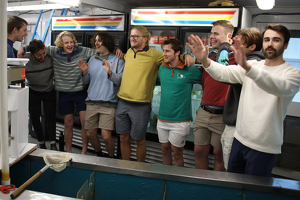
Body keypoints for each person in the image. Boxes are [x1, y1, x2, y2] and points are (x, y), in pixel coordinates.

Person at [187, 24, 300, 177]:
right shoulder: (253, 66)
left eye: (276, 40)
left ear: (285, 45)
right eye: (267, 39)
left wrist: (248, 68)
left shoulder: (291, 73)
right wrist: (206, 61)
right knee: (234, 184)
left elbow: (279, 87)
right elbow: (224, 73)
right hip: (240, 139)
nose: (270, 44)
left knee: (254, 191)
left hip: (264, 145)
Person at [115, 25, 194, 162]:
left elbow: (172, 56)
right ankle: (125, 167)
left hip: (141, 105)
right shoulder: (128, 52)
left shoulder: (154, 54)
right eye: (131, 36)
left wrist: (186, 55)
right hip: (122, 102)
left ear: (145, 39)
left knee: (139, 140)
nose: (132, 38)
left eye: (136, 36)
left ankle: (140, 169)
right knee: (123, 137)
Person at [193, 20, 235, 171]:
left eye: (216, 33)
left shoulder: (236, 58)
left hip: (223, 115)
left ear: (229, 36)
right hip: (204, 111)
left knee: (219, 154)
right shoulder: (207, 56)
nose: (212, 36)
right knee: (199, 151)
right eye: (211, 33)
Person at [221, 27, 265, 170]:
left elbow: (222, 73)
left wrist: (224, 47)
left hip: (238, 126)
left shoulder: (251, 64)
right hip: (242, 125)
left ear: (252, 47)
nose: (234, 46)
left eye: (239, 43)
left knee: (232, 172)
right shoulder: (258, 62)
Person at [78, 32, 124, 158]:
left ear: (107, 42)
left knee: (106, 136)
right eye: (96, 40)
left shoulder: (118, 59)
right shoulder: (92, 59)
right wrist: (84, 73)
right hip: (91, 102)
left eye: (99, 40)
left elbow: (120, 81)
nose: (96, 43)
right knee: (90, 133)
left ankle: (111, 158)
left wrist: (110, 72)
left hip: (109, 104)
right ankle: (99, 154)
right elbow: (86, 82)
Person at [157, 38, 202, 167]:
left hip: (180, 121)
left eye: (167, 51)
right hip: (162, 119)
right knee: (165, 150)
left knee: (177, 153)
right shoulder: (162, 67)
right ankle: (166, 178)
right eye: (163, 51)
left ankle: (176, 183)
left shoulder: (190, 70)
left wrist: (188, 55)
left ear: (177, 53)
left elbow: (207, 82)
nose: (164, 54)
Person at [25, 39, 57, 150]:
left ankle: (53, 143)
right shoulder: (25, 58)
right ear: (32, 54)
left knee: (50, 116)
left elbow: (59, 47)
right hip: (33, 90)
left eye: (43, 53)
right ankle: (41, 142)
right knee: (34, 117)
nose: (42, 57)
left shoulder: (49, 55)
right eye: (38, 55)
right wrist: (22, 48)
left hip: (49, 89)